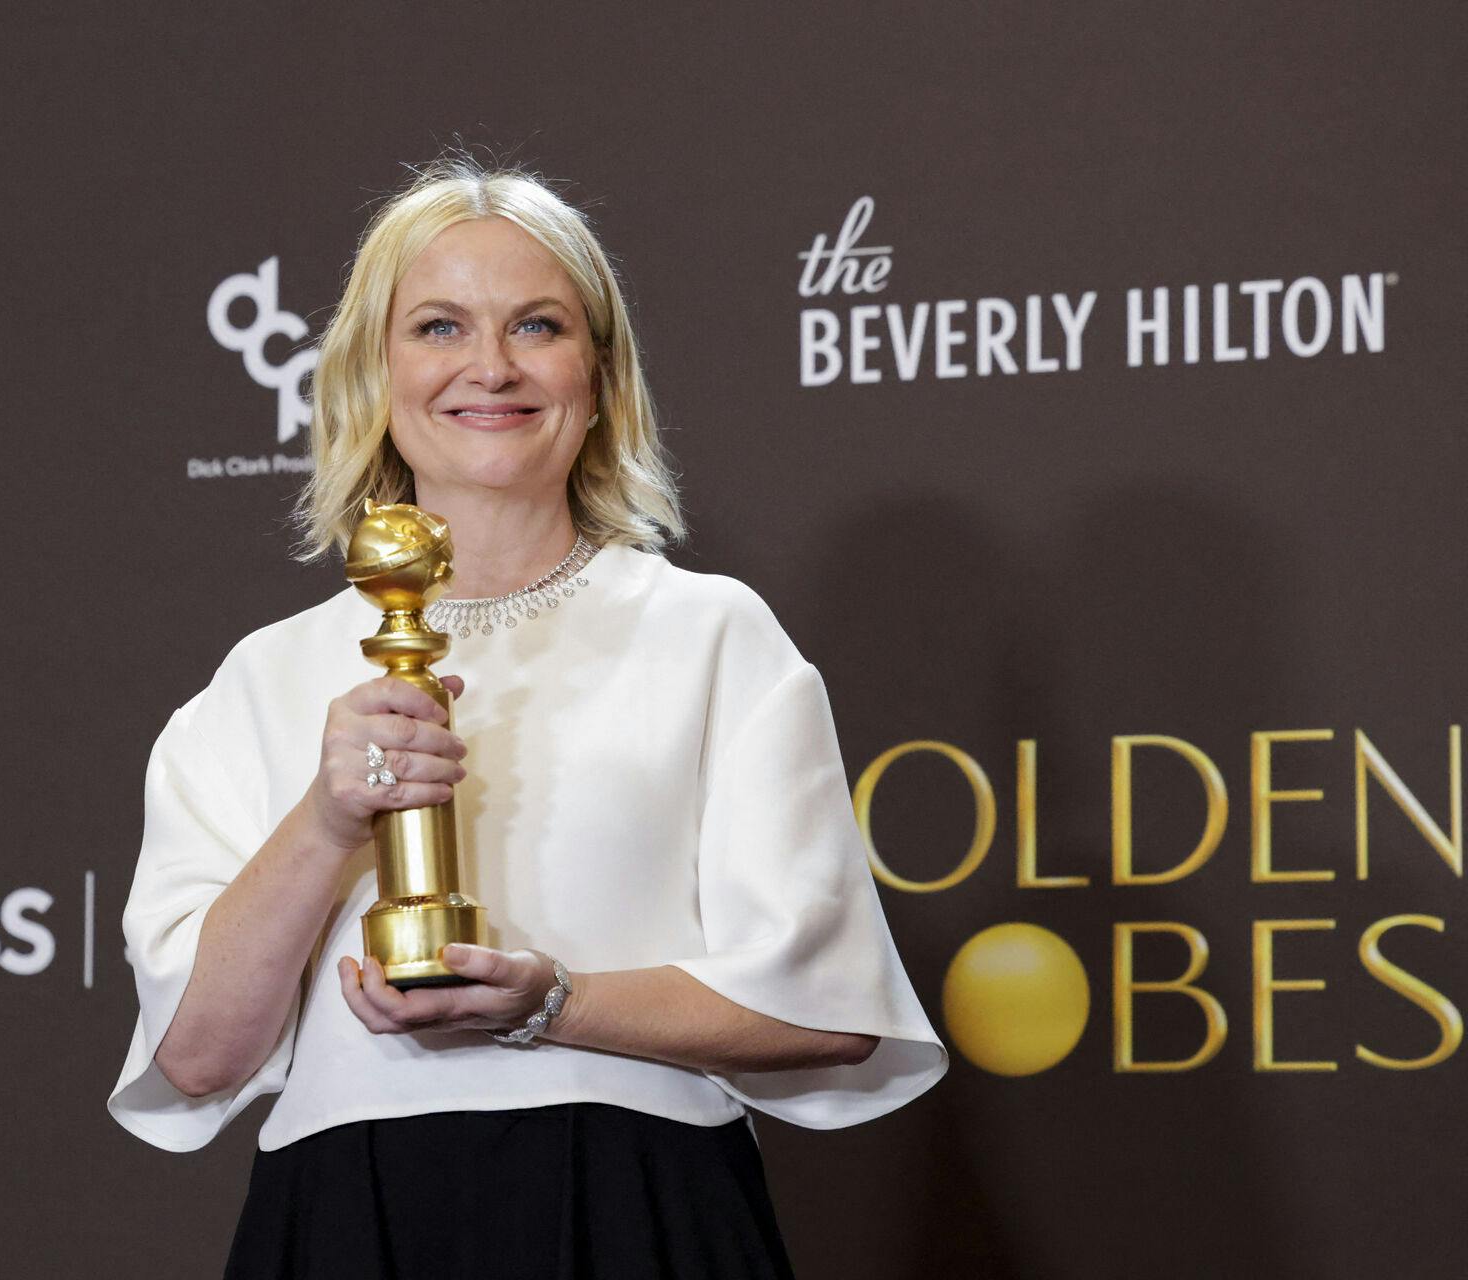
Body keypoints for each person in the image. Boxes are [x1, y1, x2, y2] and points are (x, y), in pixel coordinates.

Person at [108, 157, 948, 1279]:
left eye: (537, 325)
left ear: (599, 375)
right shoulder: (262, 679)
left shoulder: (709, 636)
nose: (489, 366)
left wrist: (553, 1002)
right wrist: (324, 821)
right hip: (350, 1225)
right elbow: (200, 1056)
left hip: (639, 1208)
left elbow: (830, 1008)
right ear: (374, 371)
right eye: (441, 326)